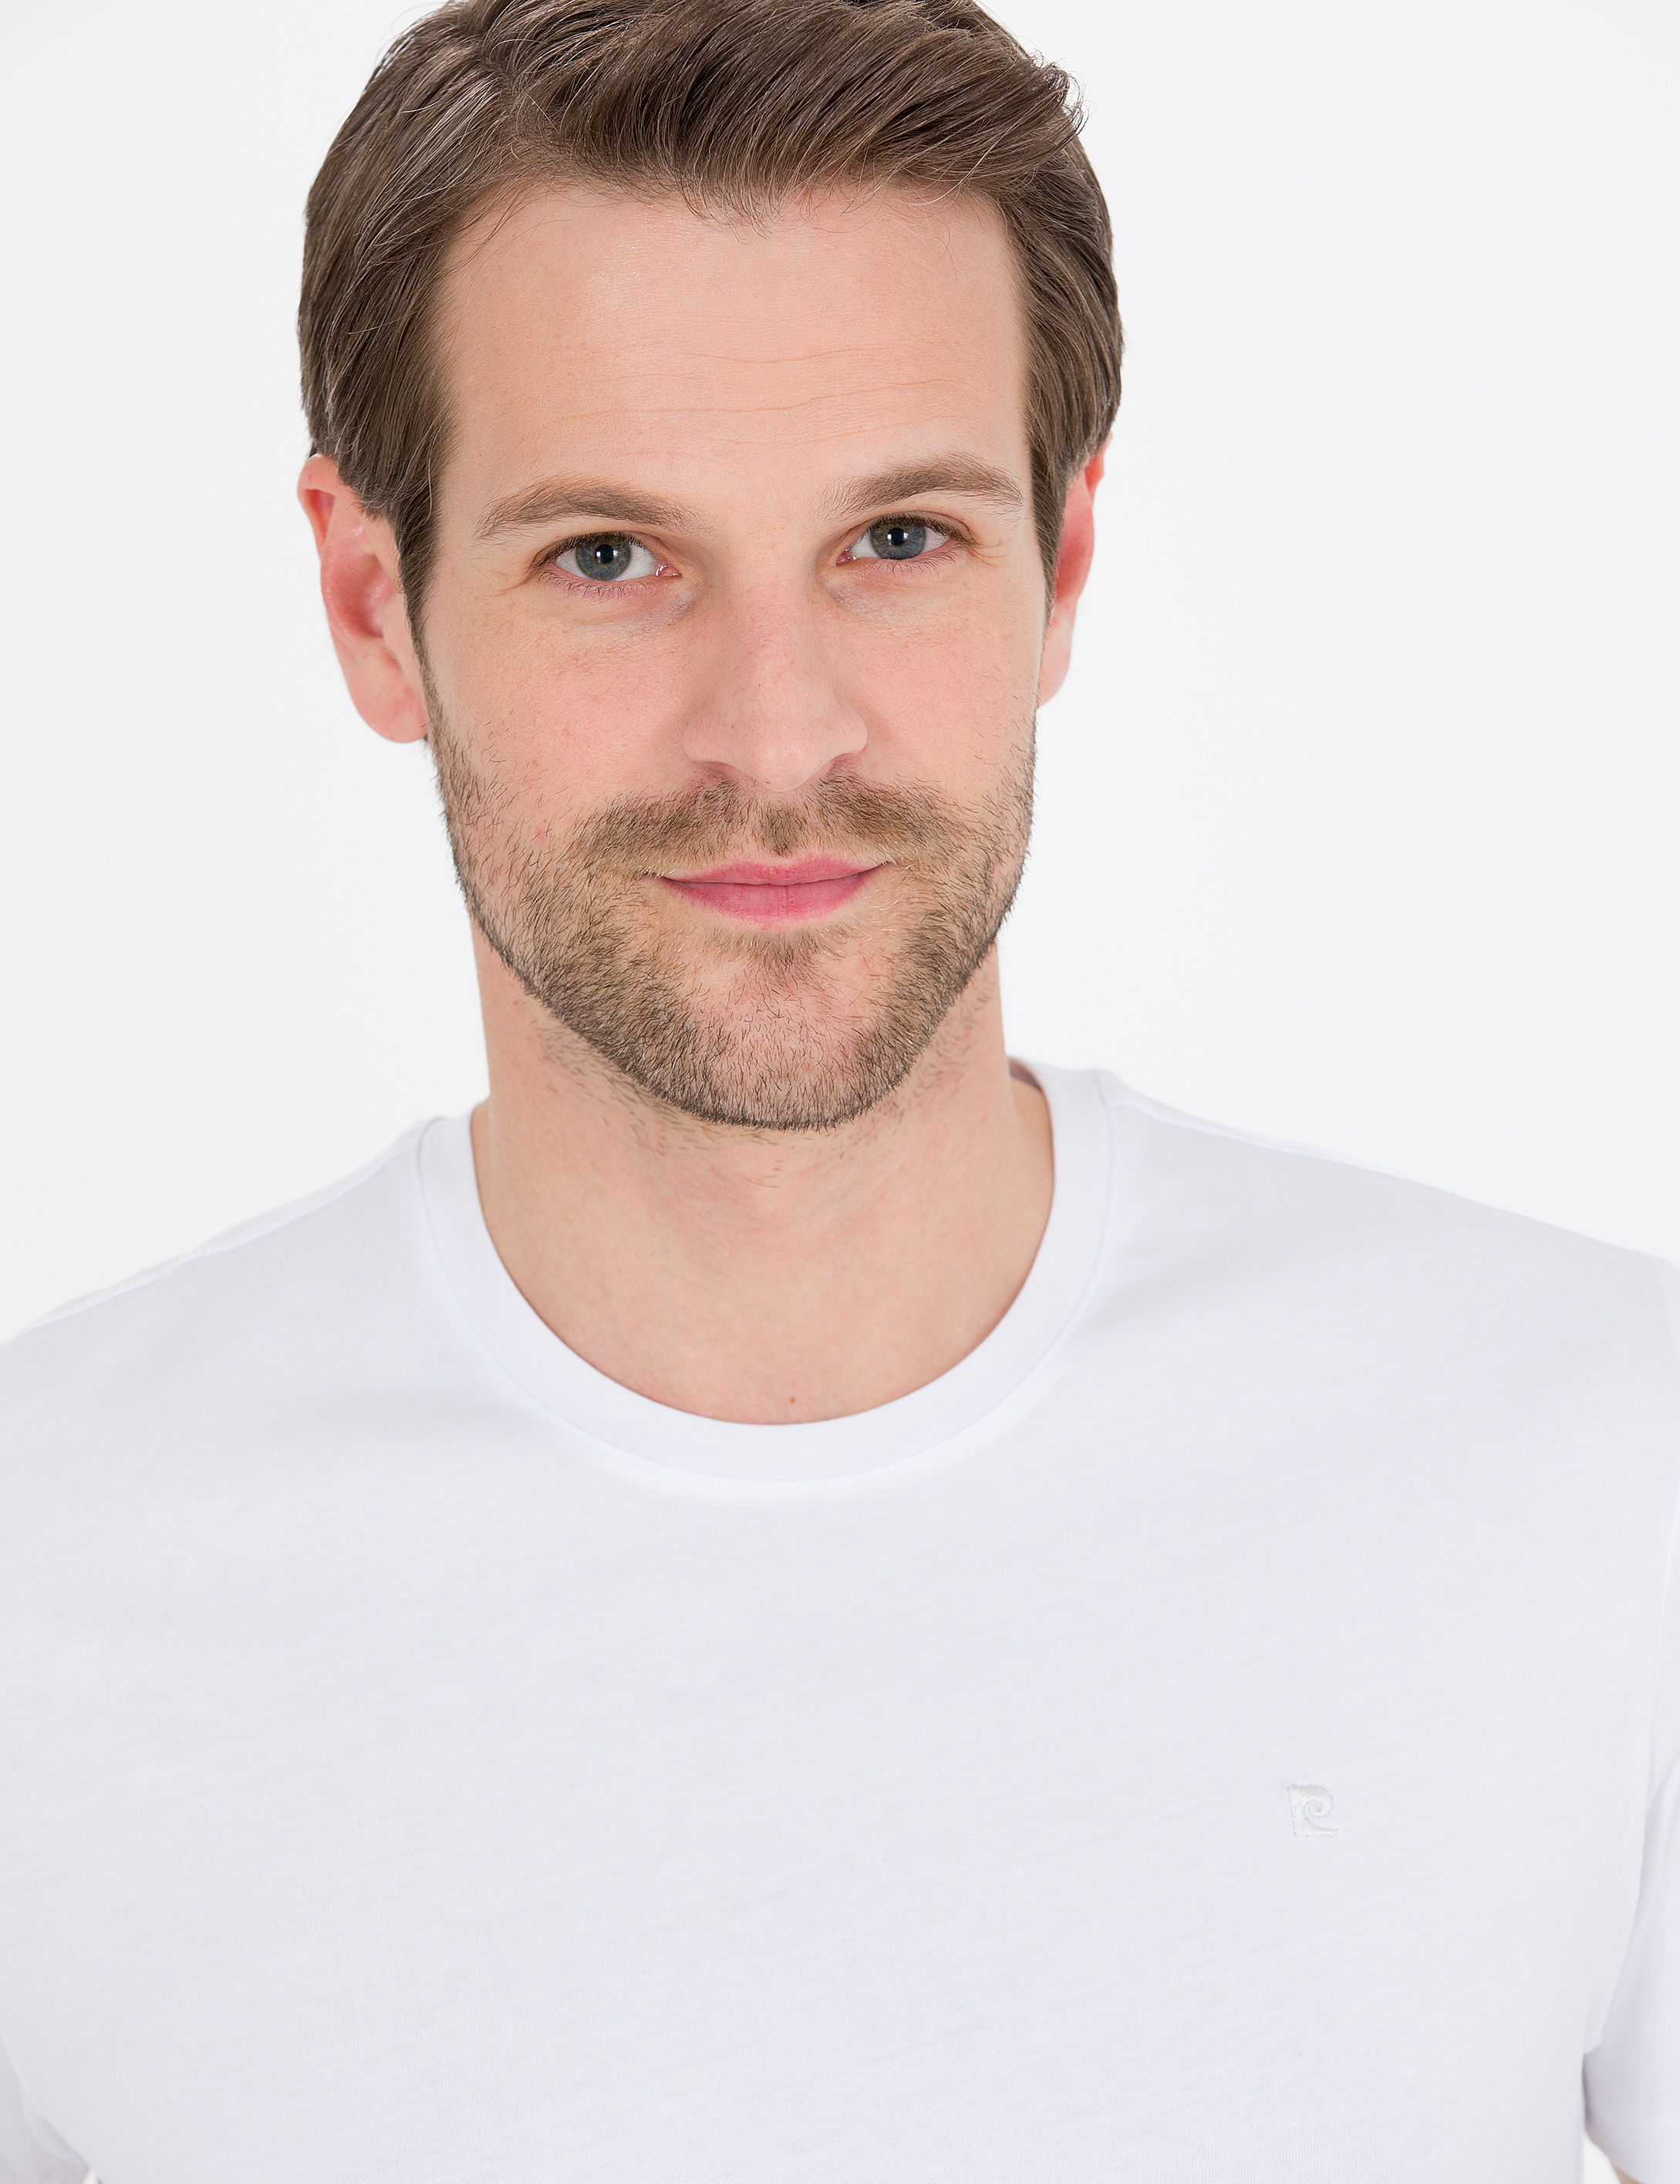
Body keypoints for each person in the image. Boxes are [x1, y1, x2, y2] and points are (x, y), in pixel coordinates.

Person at [0, 0, 1671, 2175]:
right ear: (372, 606)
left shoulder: (1606, 1466)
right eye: (609, 557)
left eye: (897, 541)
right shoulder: (46, 1569)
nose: (776, 736)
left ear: (1062, 564)